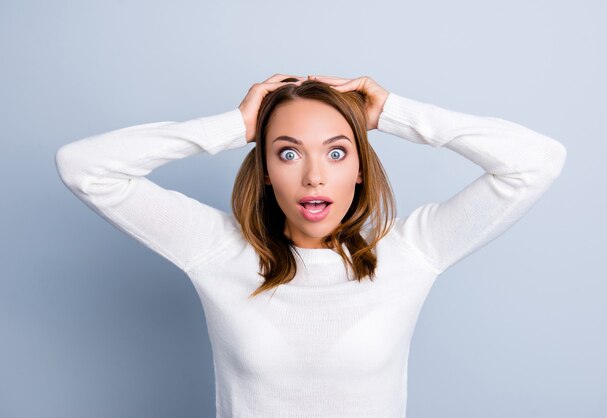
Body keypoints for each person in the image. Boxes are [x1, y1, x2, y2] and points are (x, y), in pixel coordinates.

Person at [55, 73, 567, 418]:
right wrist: (234, 126)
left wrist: (392, 112)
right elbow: (84, 168)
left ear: (361, 168)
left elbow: (536, 161)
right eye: (288, 152)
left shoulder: (412, 252)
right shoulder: (215, 249)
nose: (315, 176)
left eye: (337, 152)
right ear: (266, 169)